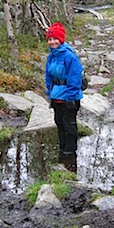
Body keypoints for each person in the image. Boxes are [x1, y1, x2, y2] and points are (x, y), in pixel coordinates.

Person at [45, 22, 83, 172]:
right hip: (56, 96)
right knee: (59, 123)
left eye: (55, 39)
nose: (52, 42)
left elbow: (75, 78)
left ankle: (70, 153)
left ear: (61, 39)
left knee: (69, 125)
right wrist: (49, 91)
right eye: (50, 39)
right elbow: (48, 75)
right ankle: (62, 149)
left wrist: (70, 97)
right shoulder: (51, 56)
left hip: (69, 97)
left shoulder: (69, 56)